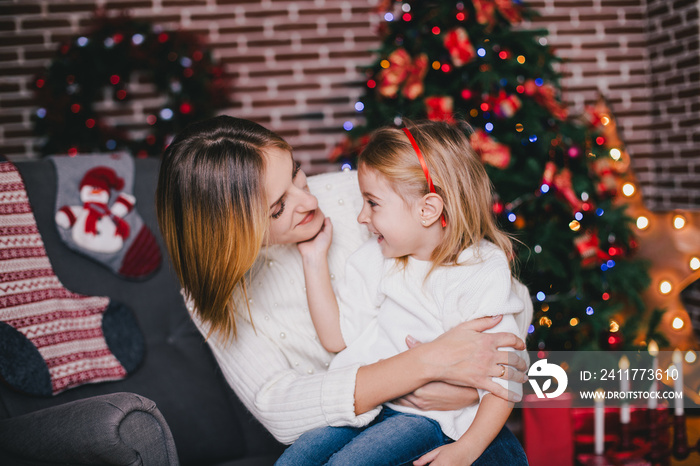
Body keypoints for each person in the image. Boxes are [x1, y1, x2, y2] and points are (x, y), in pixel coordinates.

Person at [155, 115, 530, 463]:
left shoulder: (366, 192)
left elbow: (506, 313)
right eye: (278, 207)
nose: (310, 200)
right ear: (233, 232)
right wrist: (422, 365)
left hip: (446, 425)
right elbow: (279, 404)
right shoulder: (216, 292)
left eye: (297, 174)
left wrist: (468, 391)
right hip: (366, 416)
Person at [276, 120, 532, 465]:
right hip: (377, 407)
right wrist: (314, 258)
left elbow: (505, 382)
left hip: (438, 421)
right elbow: (338, 338)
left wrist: (465, 450)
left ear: (428, 210)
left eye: (372, 203)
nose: (361, 217)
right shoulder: (376, 257)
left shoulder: (480, 270)